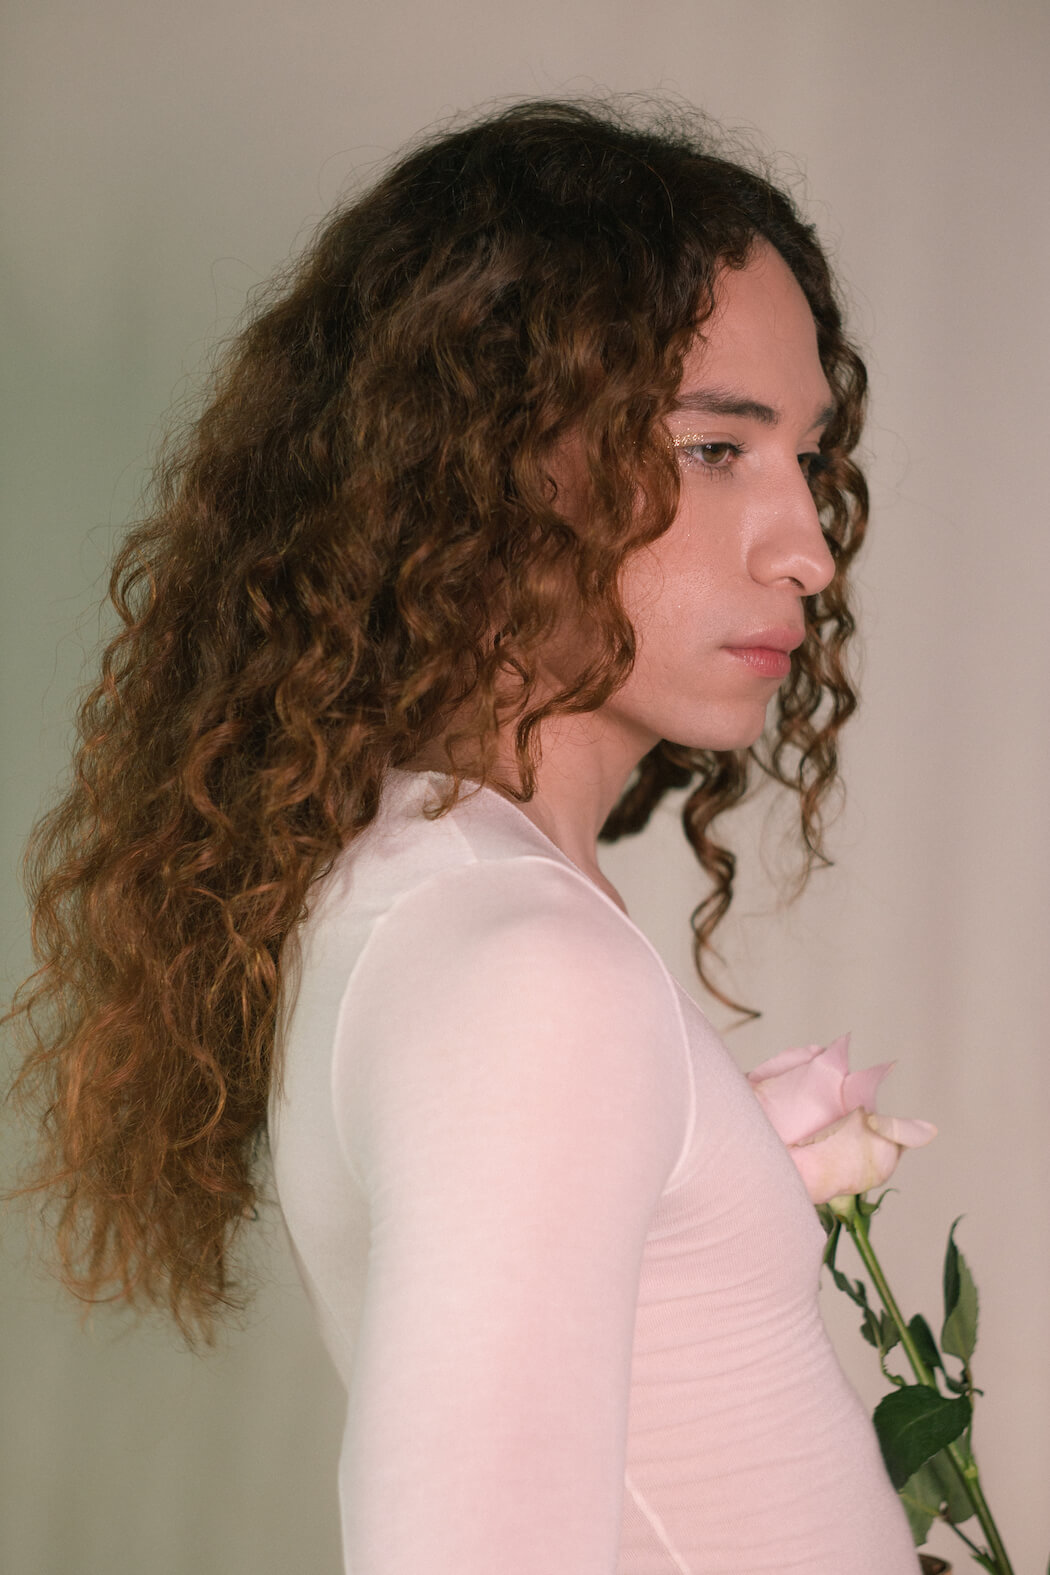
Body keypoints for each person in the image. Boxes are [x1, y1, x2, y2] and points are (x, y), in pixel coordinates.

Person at [5, 99, 921, 1572]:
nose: (807, 547)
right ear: (480, 462)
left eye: (805, 459)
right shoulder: (522, 969)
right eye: (712, 450)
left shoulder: (447, 899)